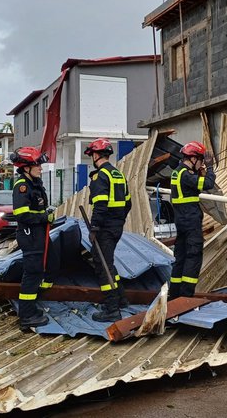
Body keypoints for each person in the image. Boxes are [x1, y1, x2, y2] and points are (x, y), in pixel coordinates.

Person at [84, 138, 132, 321]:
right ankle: (121, 299)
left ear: (96, 155)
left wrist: (94, 227)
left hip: (104, 228)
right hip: (116, 226)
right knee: (108, 263)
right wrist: (118, 220)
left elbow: (100, 205)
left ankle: (112, 309)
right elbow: (128, 203)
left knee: (102, 266)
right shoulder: (118, 174)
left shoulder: (100, 176)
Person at [10, 146, 53, 329]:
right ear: (26, 167)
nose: (41, 168)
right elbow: (22, 215)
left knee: (37, 273)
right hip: (30, 235)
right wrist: (44, 217)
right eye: (37, 165)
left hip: (38, 234)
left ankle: (31, 308)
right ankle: (27, 316)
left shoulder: (34, 184)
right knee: (32, 273)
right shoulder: (22, 186)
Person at [168, 141, 215, 301]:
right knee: (193, 256)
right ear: (194, 159)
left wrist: (199, 173)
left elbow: (191, 188)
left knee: (180, 257)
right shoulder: (186, 174)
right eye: (201, 160)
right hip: (191, 221)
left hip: (181, 220)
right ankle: (186, 297)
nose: (202, 163)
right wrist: (209, 168)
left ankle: (173, 296)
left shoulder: (178, 172)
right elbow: (208, 184)